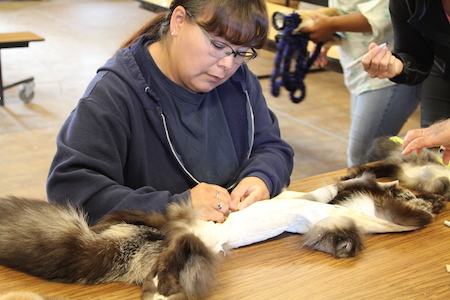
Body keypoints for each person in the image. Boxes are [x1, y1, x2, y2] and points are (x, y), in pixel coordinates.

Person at [46, 0, 294, 225]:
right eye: (219, 45)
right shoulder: (114, 93)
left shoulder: (238, 82)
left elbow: (273, 147)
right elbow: (72, 192)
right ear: (178, 21)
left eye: (242, 53)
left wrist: (262, 177)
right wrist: (176, 206)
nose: (228, 64)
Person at [301, 0, 421, 167]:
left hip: (392, 70)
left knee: (363, 157)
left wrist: (331, 25)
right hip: (360, 66)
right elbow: (344, 7)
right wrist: (331, 34)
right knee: (365, 155)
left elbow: (384, 11)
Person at [362, 0, 450, 128]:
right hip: (443, 68)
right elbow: (414, 55)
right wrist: (398, 66)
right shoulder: (408, 3)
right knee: (432, 145)